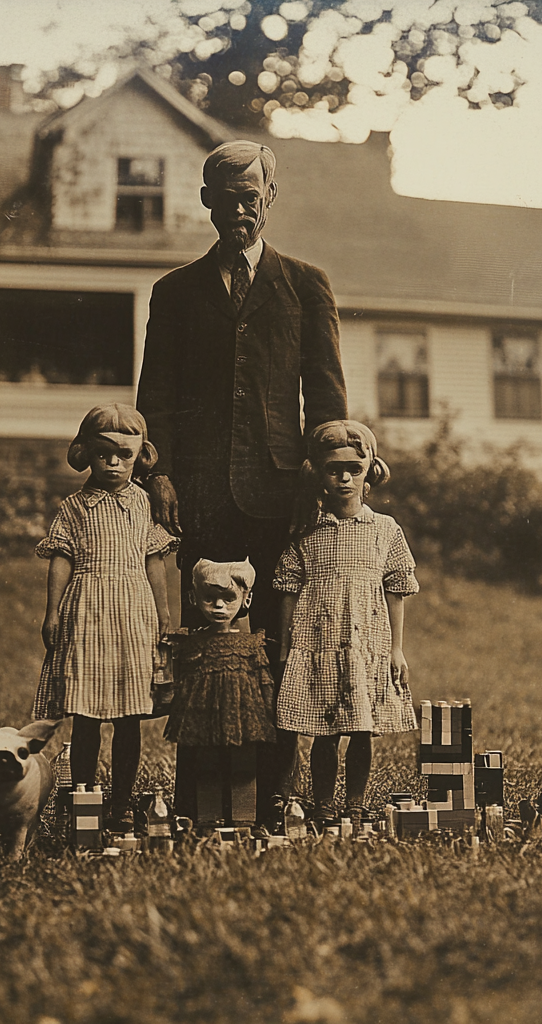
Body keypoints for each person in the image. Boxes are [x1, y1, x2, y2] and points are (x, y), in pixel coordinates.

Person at [136, 139, 348, 820]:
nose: (239, 210)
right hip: (198, 492)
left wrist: (319, 478)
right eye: (225, 199)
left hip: (280, 495)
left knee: (280, 649)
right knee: (208, 647)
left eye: (250, 197)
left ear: (270, 199)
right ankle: (203, 796)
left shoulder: (306, 285)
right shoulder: (174, 294)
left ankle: (273, 798)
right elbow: (156, 395)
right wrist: (160, 473)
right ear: (206, 202)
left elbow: (327, 395)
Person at [32, 404, 177, 832]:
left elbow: (154, 561)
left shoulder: (144, 503)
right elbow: (61, 559)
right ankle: (83, 794)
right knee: (87, 713)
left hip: (133, 610)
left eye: (124, 456)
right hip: (87, 609)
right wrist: (52, 611)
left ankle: (122, 801)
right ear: (86, 454)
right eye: (103, 455)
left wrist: (164, 613)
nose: (113, 464)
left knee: (130, 714)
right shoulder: (76, 506)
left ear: (140, 456)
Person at [274, 420, 419, 832]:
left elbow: (397, 588)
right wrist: (285, 648)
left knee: (361, 727)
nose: (343, 478)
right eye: (333, 469)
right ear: (318, 473)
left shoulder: (385, 529)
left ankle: (353, 804)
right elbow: (287, 589)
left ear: (369, 471)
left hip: (367, 641)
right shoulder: (306, 531)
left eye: (354, 469)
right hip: (319, 641)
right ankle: (322, 805)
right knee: (324, 729)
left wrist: (396, 648)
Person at [163, 559, 277, 833]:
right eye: (210, 599)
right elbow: (184, 681)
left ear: (246, 601)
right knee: (207, 767)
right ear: (194, 599)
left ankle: (243, 820)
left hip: (245, 718)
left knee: (244, 768)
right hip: (205, 720)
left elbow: (264, 680)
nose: (219, 606)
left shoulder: (252, 643)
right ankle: (209, 820)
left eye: (228, 599)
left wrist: (269, 711)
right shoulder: (192, 642)